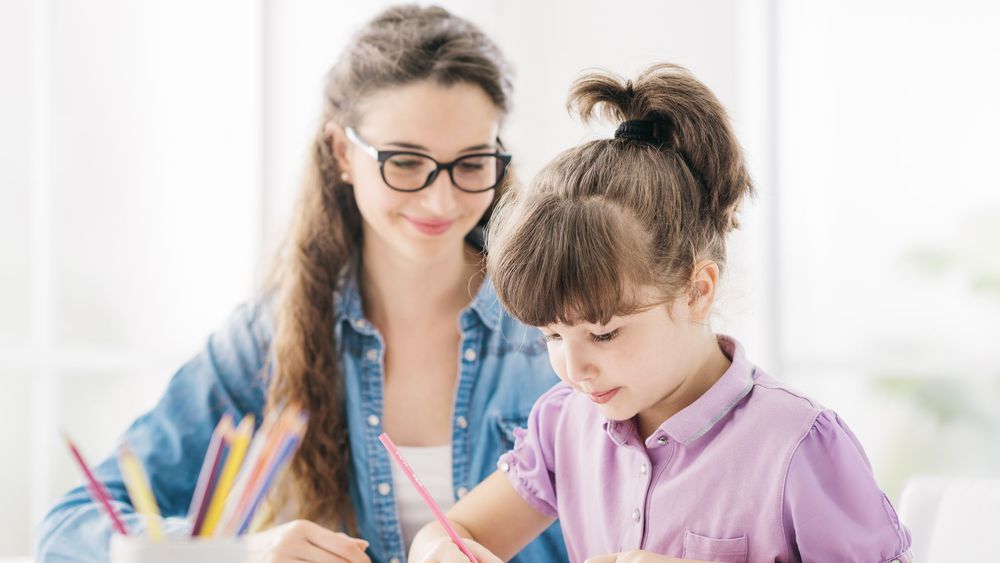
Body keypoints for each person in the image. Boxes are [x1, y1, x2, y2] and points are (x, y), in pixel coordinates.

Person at [35, 5, 567, 563]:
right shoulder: (268, 337)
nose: (441, 199)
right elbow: (69, 530)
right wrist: (238, 554)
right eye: (405, 163)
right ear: (342, 152)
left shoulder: (559, 327)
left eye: (472, 163)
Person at [408, 63, 913, 563]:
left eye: (603, 333)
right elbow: (455, 530)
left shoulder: (798, 445)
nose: (573, 369)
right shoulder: (565, 425)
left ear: (697, 290)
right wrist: (439, 551)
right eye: (553, 336)